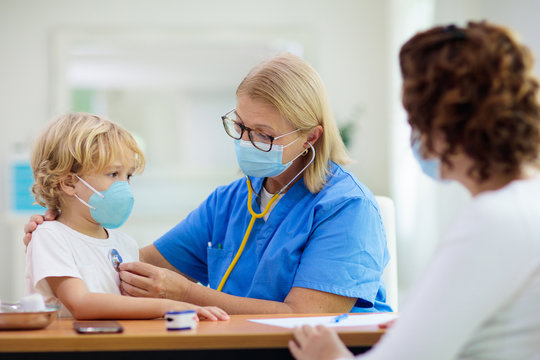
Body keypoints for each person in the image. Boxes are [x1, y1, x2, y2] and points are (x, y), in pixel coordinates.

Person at [25, 53, 391, 314]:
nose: (246, 142)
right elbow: (130, 268)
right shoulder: (230, 201)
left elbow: (306, 314)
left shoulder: (346, 206)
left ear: (310, 137)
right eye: (241, 127)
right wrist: (70, 234)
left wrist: (188, 294)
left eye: (263, 134)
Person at [288, 21, 540, 360]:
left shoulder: (493, 219)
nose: (414, 136)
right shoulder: (527, 204)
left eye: (413, 120)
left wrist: (328, 355)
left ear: (444, 126)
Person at [25, 113, 228, 321]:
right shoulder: (50, 237)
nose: (124, 186)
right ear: (69, 183)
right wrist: (168, 306)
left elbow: (133, 308)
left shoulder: (125, 244)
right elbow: (81, 304)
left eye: (128, 175)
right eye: (113, 174)